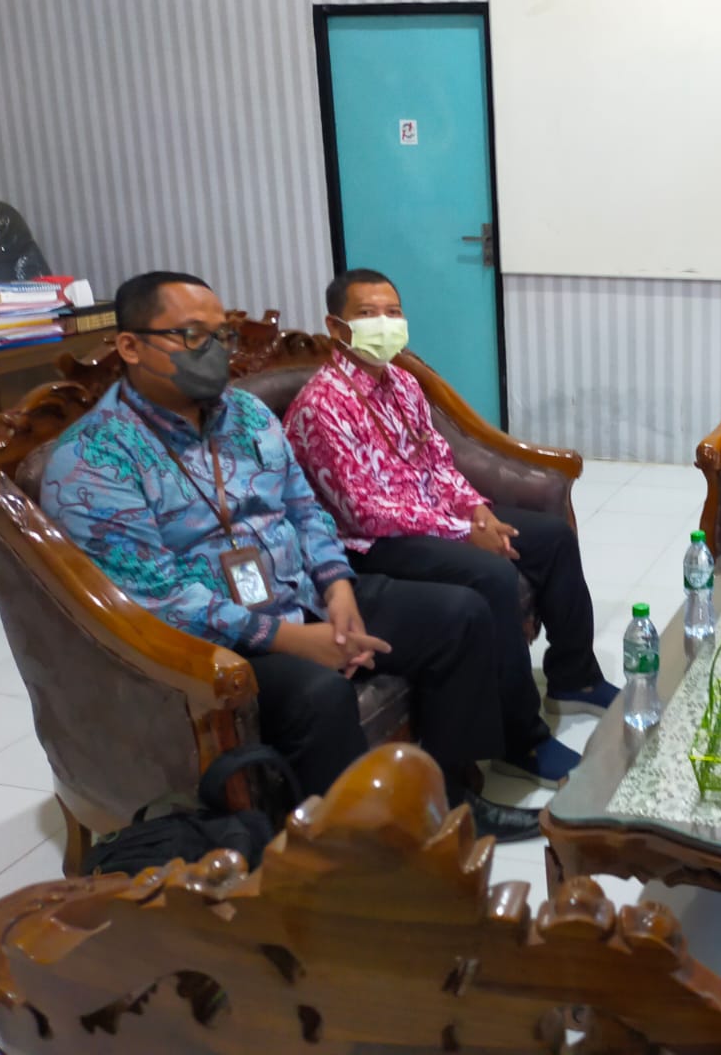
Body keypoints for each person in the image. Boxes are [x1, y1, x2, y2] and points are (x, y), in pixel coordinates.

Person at [40, 271, 541, 842]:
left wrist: (338, 589)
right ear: (131, 346)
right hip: (216, 644)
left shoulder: (247, 415)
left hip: (302, 592)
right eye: (192, 335)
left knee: (459, 616)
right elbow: (156, 596)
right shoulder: (95, 457)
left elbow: (306, 510)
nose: (214, 351)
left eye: (222, 336)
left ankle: (452, 799)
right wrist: (291, 639)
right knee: (317, 693)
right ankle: (345, 853)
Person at [283, 269, 614, 787]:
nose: (384, 324)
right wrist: (460, 533)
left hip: (433, 520)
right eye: (367, 314)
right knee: (491, 573)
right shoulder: (322, 406)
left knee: (550, 537)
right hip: (372, 544)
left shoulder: (402, 383)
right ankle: (521, 739)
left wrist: (476, 510)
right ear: (336, 326)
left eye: (393, 312)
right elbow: (364, 511)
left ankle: (575, 677)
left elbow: (438, 462)